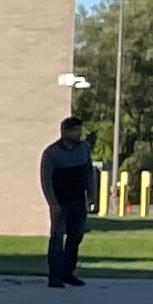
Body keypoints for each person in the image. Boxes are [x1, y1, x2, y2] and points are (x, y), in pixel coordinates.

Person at [41, 117, 98, 287]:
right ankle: (55, 276)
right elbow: (46, 179)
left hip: (78, 200)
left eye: (80, 130)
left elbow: (89, 171)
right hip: (60, 202)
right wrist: (53, 203)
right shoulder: (52, 153)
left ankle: (68, 272)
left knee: (76, 236)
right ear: (65, 131)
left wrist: (92, 193)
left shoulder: (84, 149)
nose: (78, 134)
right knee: (58, 238)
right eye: (75, 131)